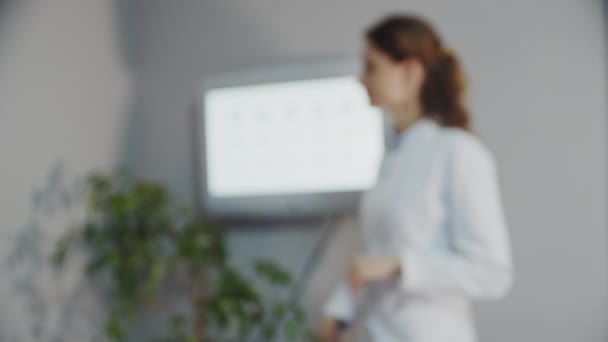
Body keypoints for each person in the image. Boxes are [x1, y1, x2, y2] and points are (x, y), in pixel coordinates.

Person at [318, 14, 514, 342]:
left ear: (410, 72)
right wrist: (339, 310)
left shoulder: (459, 152)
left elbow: (493, 273)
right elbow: (374, 258)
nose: (361, 79)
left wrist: (402, 265)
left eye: (371, 67)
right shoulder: (391, 157)